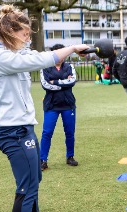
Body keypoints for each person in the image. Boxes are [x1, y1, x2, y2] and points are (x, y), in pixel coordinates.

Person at [0, 5, 89, 212]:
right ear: (9, 31)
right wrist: (72, 48)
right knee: (26, 187)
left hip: (23, 127)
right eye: (25, 33)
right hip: (12, 132)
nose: (28, 38)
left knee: (34, 178)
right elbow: (40, 60)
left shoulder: (9, 51)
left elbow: (33, 53)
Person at [39, 43, 79, 171]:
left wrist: (55, 82)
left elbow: (72, 81)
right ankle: (43, 160)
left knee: (69, 132)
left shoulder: (70, 67)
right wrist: (63, 83)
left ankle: (70, 156)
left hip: (68, 104)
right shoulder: (45, 68)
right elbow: (45, 85)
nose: (60, 56)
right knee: (47, 133)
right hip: (51, 105)